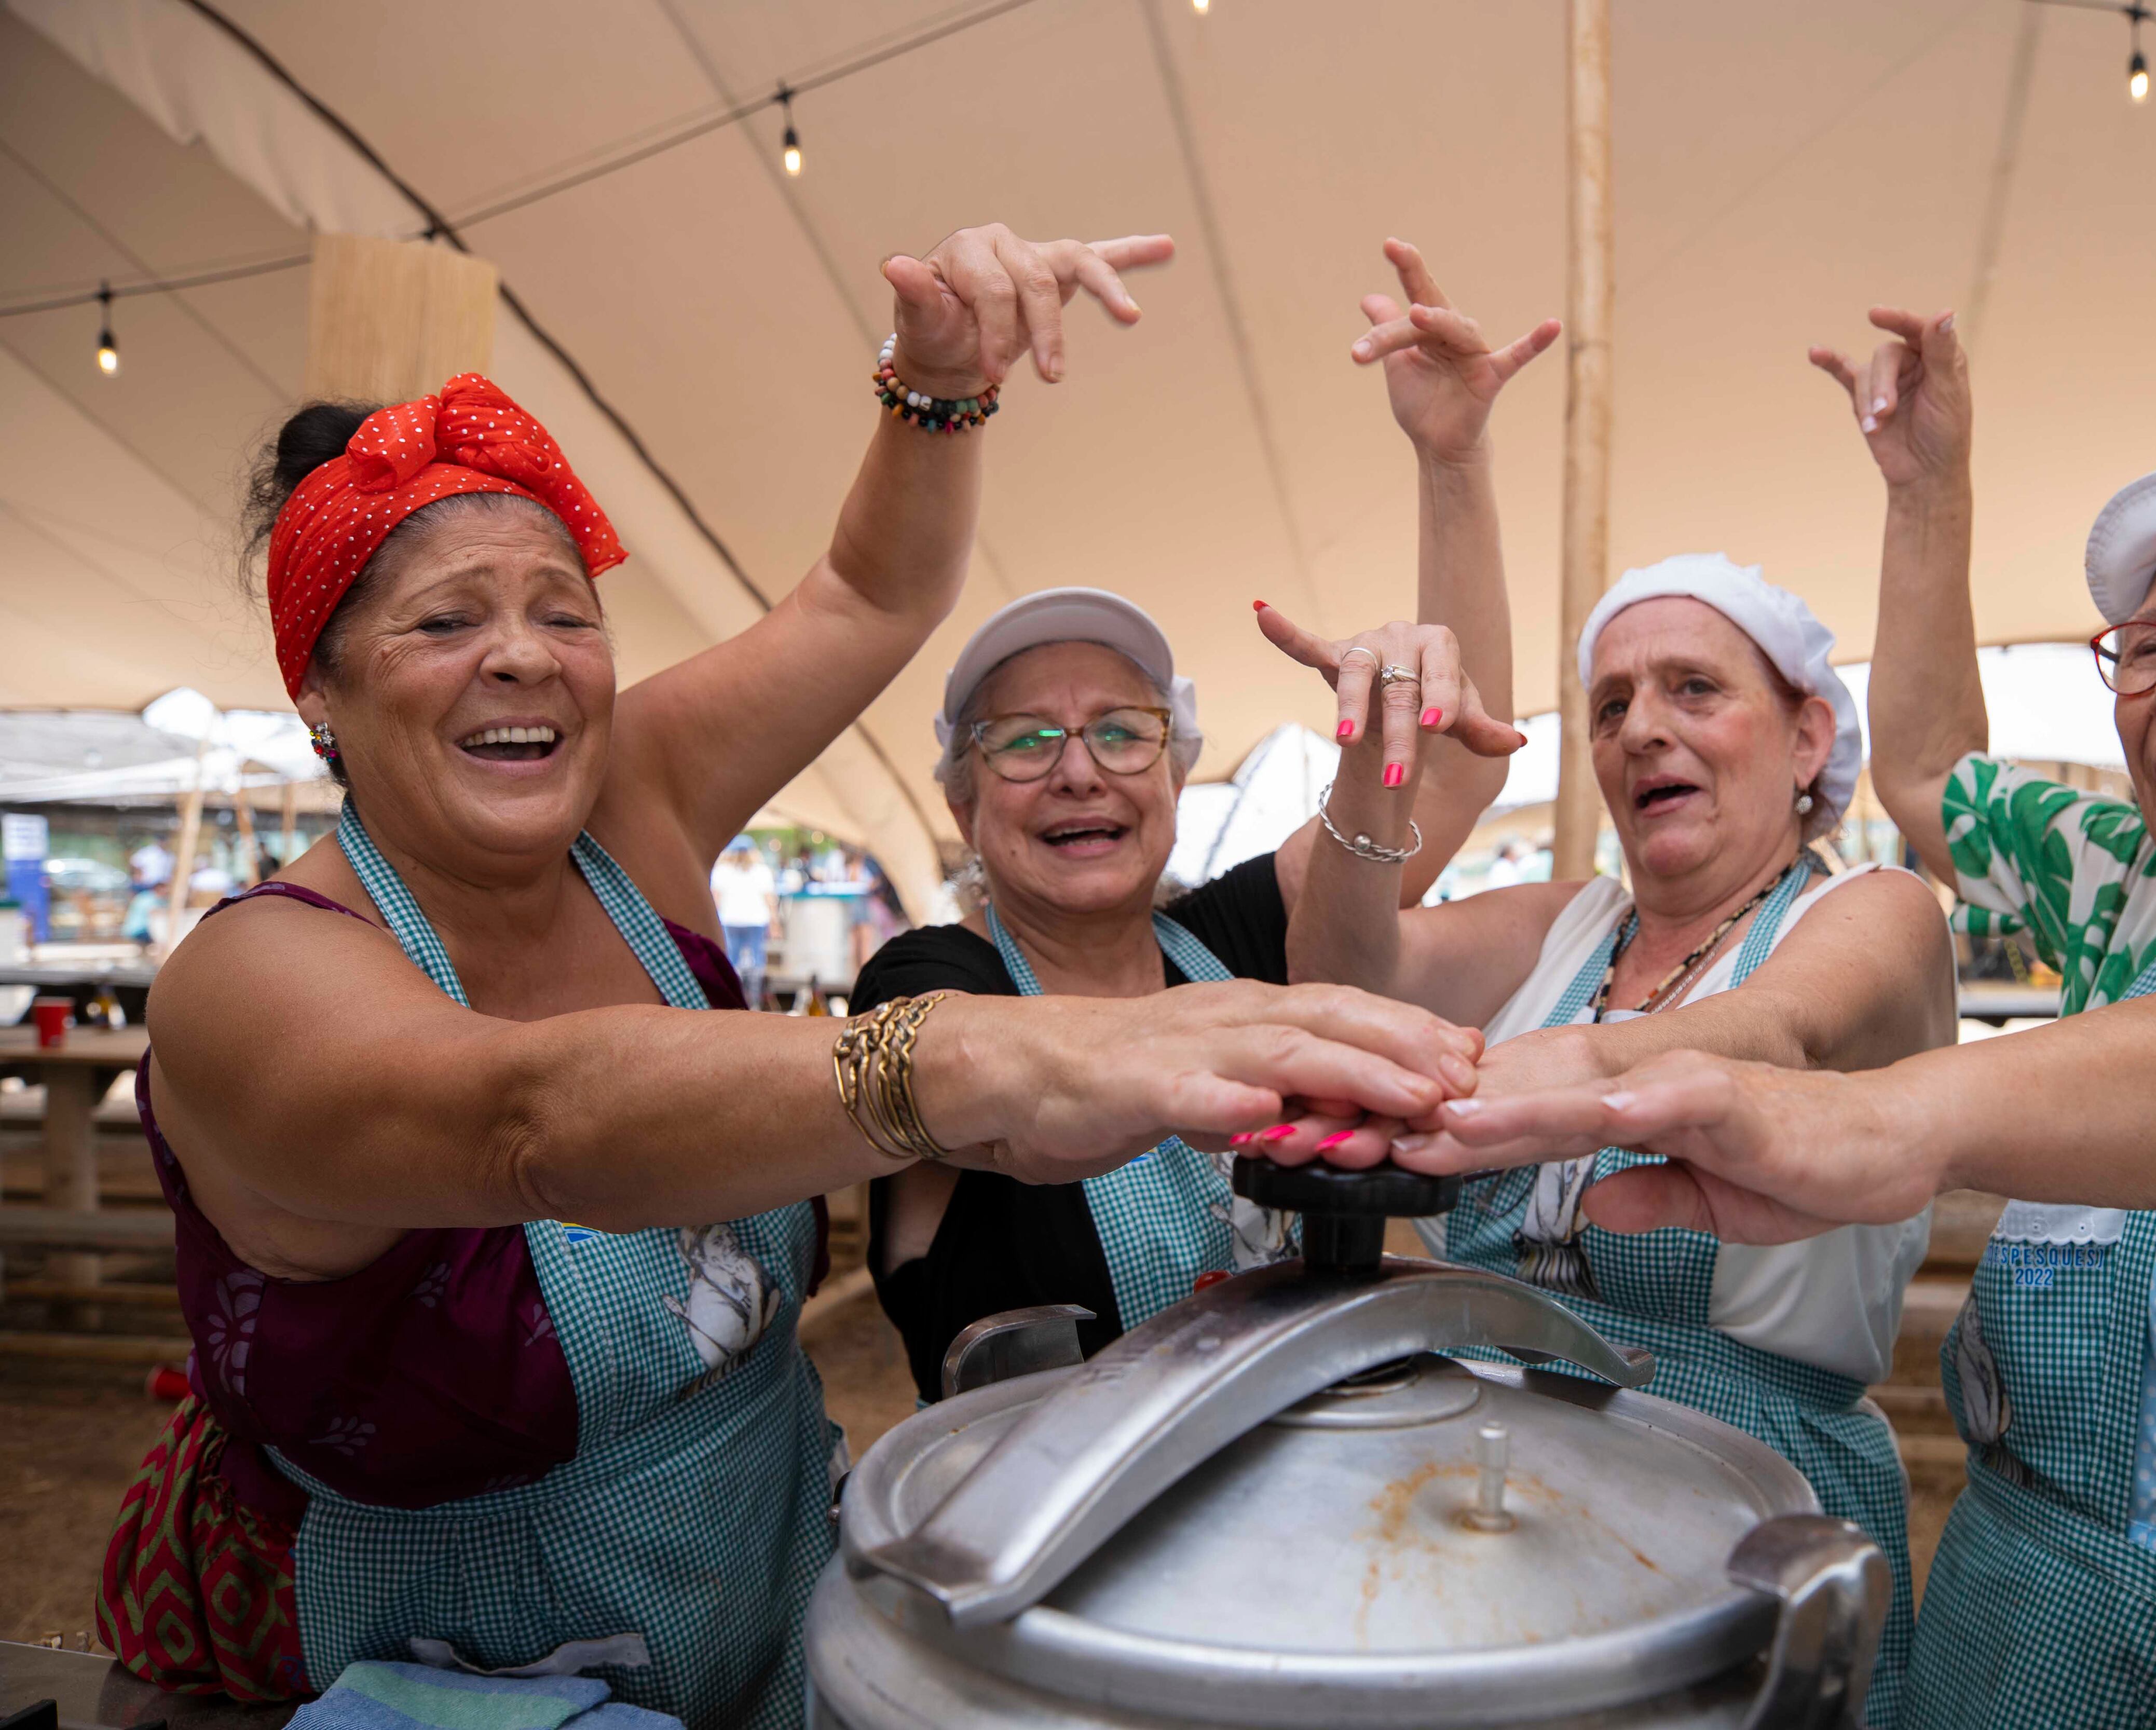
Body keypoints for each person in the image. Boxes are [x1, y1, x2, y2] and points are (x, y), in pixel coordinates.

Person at [93, 222, 1483, 1729]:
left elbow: (864, 598)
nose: (525, 657)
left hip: (773, 1581)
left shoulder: (635, 804)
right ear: (319, 694)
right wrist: (993, 1054)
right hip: (452, 1663)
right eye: (445, 620)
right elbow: (534, 1122)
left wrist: (936, 383)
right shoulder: (251, 981)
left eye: (565, 609)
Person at [1400, 308, 2156, 1728]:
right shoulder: (2142, 891)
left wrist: (1892, 1118)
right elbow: (1927, 769)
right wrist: (1927, 491)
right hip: (2016, 1621)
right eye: (2144, 647)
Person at [1271, 552, 1957, 1726]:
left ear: (1805, 739)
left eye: (1694, 688)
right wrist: (1375, 771)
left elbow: (1774, 1034)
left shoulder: (1867, 916)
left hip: (1744, 1511)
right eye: (1612, 704)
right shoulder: (1567, 921)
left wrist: (1535, 1079)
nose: (1642, 728)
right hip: (1482, 1477)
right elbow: (1343, 978)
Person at [856, 239, 1550, 1396]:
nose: (1079, 771)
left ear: (1175, 778)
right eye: (1025, 740)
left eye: (1122, 732)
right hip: (1037, 1538)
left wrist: (1452, 461)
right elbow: (1020, 1089)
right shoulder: (926, 981)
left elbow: (1442, 781)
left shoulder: (1236, 940)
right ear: (961, 802)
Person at [709, 833, 776, 1005]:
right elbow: (770, 899)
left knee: (732, 961)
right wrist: (775, 922)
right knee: (756, 960)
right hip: (755, 920)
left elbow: (715, 899)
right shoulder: (761, 870)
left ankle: (735, 1000)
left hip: (730, 920)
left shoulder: (722, 871)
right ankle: (754, 1001)